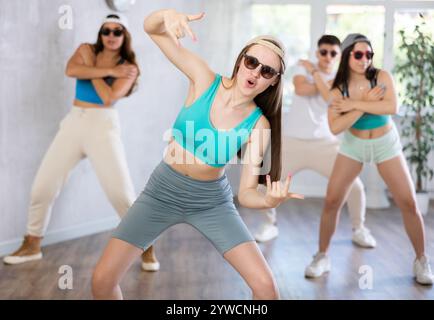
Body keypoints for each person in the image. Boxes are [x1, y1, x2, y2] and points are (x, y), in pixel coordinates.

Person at [91, 9, 303, 300]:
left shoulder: (259, 125)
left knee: (266, 288)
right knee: (102, 280)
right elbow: (152, 30)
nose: (255, 72)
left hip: (211, 203)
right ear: (241, 60)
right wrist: (166, 15)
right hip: (161, 192)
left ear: (274, 81)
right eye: (251, 62)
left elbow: (247, 194)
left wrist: (268, 199)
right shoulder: (204, 78)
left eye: (266, 71)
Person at [3, 14, 159, 272]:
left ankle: (146, 243)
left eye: (116, 32)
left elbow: (108, 97)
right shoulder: (86, 49)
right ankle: (31, 245)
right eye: (105, 31)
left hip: (103, 126)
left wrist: (91, 69)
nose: (110, 36)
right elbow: (71, 70)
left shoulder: (129, 67)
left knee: (121, 195)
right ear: (100, 33)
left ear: (124, 36)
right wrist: (108, 71)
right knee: (42, 188)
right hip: (74, 122)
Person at [304, 33, 433, 285]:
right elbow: (335, 127)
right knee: (331, 201)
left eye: (369, 54)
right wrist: (363, 103)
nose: (365, 59)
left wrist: (351, 105)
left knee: (408, 202)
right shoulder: (337, 87)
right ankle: (322, 256)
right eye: (359, 54)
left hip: (386, 145)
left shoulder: (381, 76)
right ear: (347, 54)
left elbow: (391, 107)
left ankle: (422, 260)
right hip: (353, 146)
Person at [255, 35, 376, 249]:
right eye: (324, 52)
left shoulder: (340, 79)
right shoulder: (303, 69)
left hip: (324, 144)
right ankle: (269, 224)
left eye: (333, 53)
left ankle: (359, 229)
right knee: (266, 184)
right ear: (318, 52)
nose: (328, 57)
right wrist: (321, 82)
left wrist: (315, 75)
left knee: (355, 187)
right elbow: (302, 89)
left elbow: (330, 97)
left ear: (339, 56)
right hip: (292, 142)